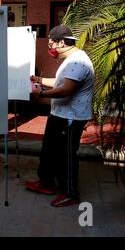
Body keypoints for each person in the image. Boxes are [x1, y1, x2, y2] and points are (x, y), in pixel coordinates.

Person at [26, 25, 94, 207]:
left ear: (62, 42)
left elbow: (66, 90)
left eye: (51, 44)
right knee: (48, 151)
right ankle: (46, 183)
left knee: (66, 155)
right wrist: (39, 80)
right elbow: (59, 82)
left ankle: (71, 193)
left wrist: (41, 94)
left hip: (71, 118)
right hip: (59, 115)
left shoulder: (77, 62)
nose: (50, 48)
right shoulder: (70, 60)